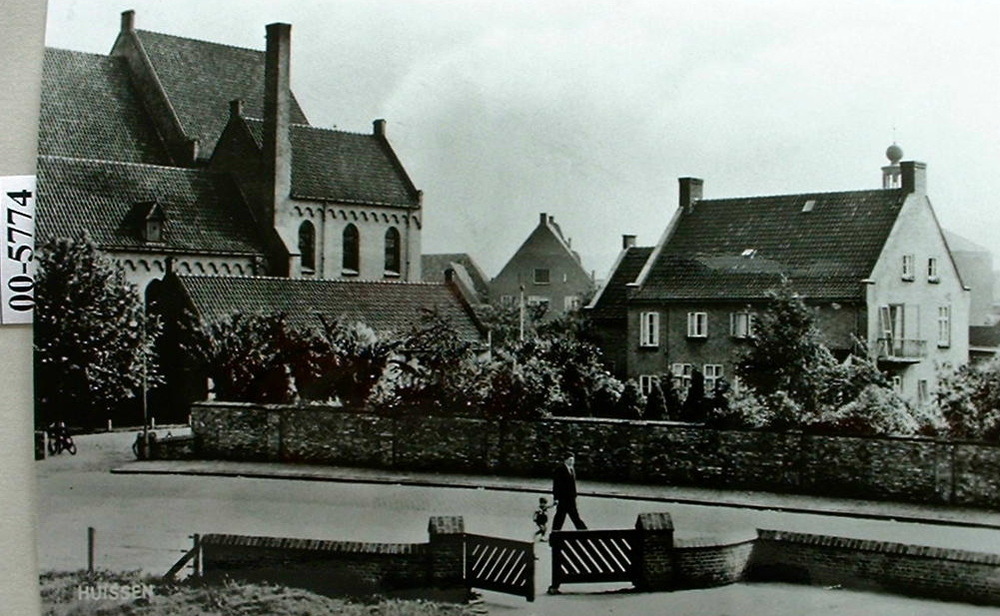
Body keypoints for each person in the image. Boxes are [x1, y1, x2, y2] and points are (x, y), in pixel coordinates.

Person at [551, 452, 587, 531]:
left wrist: (574, 495)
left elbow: (572, 484)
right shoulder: (560, 469)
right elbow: (556, 485)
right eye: (570, 460)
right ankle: (555, 531)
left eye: (573, 460)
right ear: (565, 460)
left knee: (573, 516)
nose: (572, 462)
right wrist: (556, 498)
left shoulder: (571, 469)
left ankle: (583, 530)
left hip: (571, 498)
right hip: (563, 498)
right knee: (561, 516)